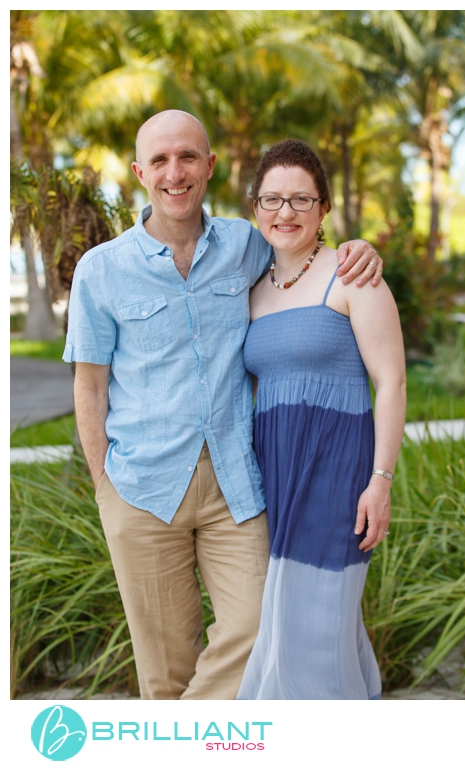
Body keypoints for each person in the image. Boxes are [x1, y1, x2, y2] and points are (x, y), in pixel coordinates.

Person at [65, 110, 383, 700]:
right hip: (140, 486)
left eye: (188, 157)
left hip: (237, 483)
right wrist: (103, 485)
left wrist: (357, 249)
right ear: (139, 172)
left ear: (209, 167)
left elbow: (302, 251)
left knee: (259, 629)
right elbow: (89, 386)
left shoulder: (244, 244)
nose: (174, 172)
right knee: (165, 667)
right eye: (159, 160)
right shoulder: (101, 271)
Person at [236, 139, 406, 700]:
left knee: (313, 629)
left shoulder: (354, 274)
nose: (285, 212)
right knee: (299, 627)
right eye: (272, 199)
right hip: (273, 477)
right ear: (255, 206)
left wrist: (380, 481)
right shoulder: (252, 288)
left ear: (324, 208)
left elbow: (392, 383)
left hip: (336, 475)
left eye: (301, 200)